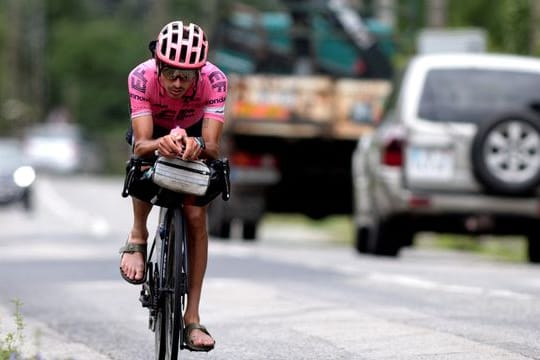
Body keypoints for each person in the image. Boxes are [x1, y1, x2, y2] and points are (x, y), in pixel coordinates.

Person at [119, 20, 228, 352]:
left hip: (195, 132)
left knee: (195, 215)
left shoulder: (215, 80)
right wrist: (160, 143)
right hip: (154, 132)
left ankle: (192, 316)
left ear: (199, 72)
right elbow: (140, 144)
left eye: (187, 76)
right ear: (159, 66)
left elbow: (212, 145)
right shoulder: (140, 77)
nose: (179, 83)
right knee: (143, 169)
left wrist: (196, 144)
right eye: (172, 75)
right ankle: (138, 236)